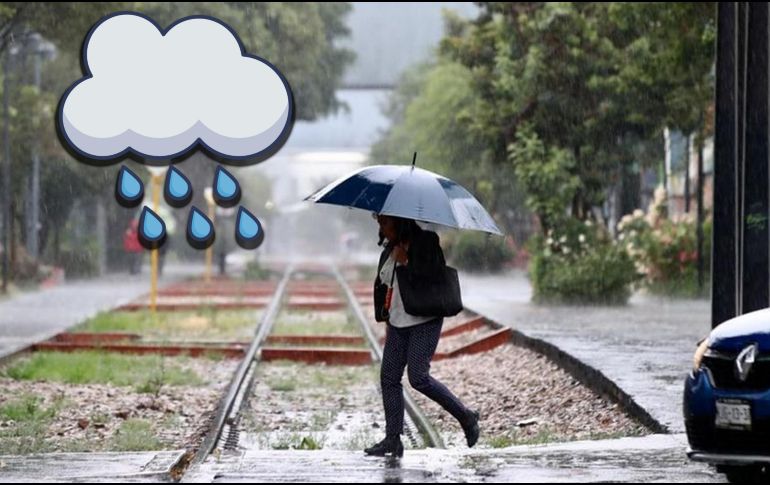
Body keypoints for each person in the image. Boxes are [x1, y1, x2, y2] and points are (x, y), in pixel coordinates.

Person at [364, 214, 480, 457]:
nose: (380, 227)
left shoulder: (426, 241)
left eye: (384, 222)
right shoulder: (389, 248)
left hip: (424, 321)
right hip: (397, 323)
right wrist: (385, 317)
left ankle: (466, 416)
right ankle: (393, 439)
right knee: (389, 378)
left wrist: (407, 261)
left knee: (418, 377)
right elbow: (387, 285)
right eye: (379, 222)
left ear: (399, 222)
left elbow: (434, 276)